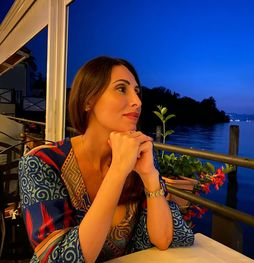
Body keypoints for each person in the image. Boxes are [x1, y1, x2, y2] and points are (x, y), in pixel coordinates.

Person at [18, 56, 194, 263]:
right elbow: (56, 259)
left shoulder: (140, 155)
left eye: (137, 92)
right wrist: (118, 171)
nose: (137, 102)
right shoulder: (42, 163)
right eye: (121, 89)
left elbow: (165, 239)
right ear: (88, 101)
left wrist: (150, 176)